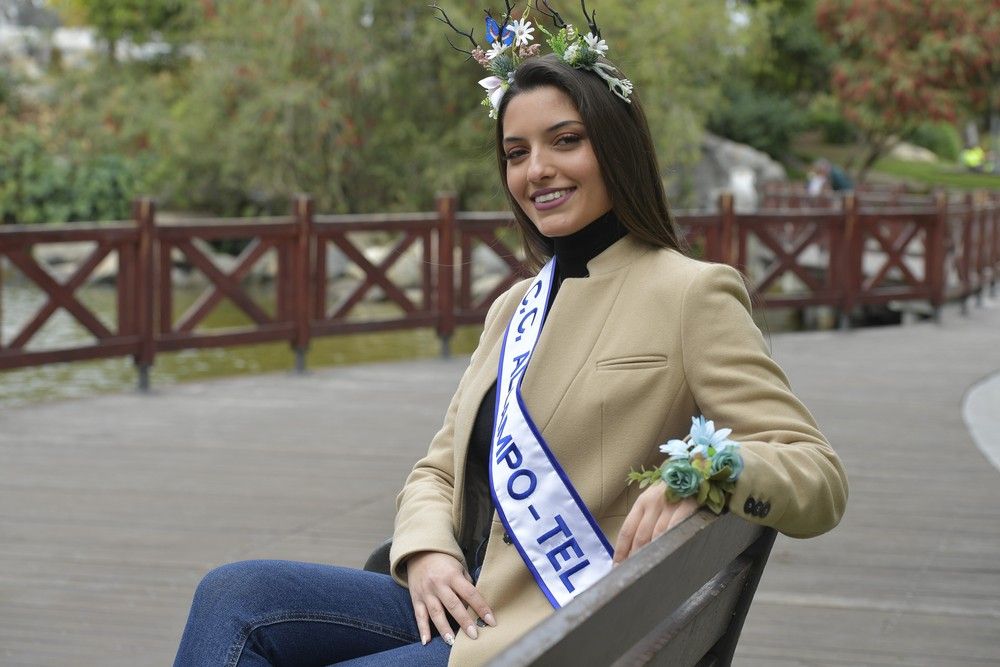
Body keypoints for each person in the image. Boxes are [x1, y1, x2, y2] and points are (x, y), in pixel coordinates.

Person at [173, 5, 848, 666]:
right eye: (516, 153)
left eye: (566, 141)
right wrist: (425, 549)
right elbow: (436, 470)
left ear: (616, 145)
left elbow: (816, 473)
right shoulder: (513, 307)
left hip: (563, 632)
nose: (537, 171)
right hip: (470, 601)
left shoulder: (689, 293)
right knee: (233, 594)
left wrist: (699, 474)